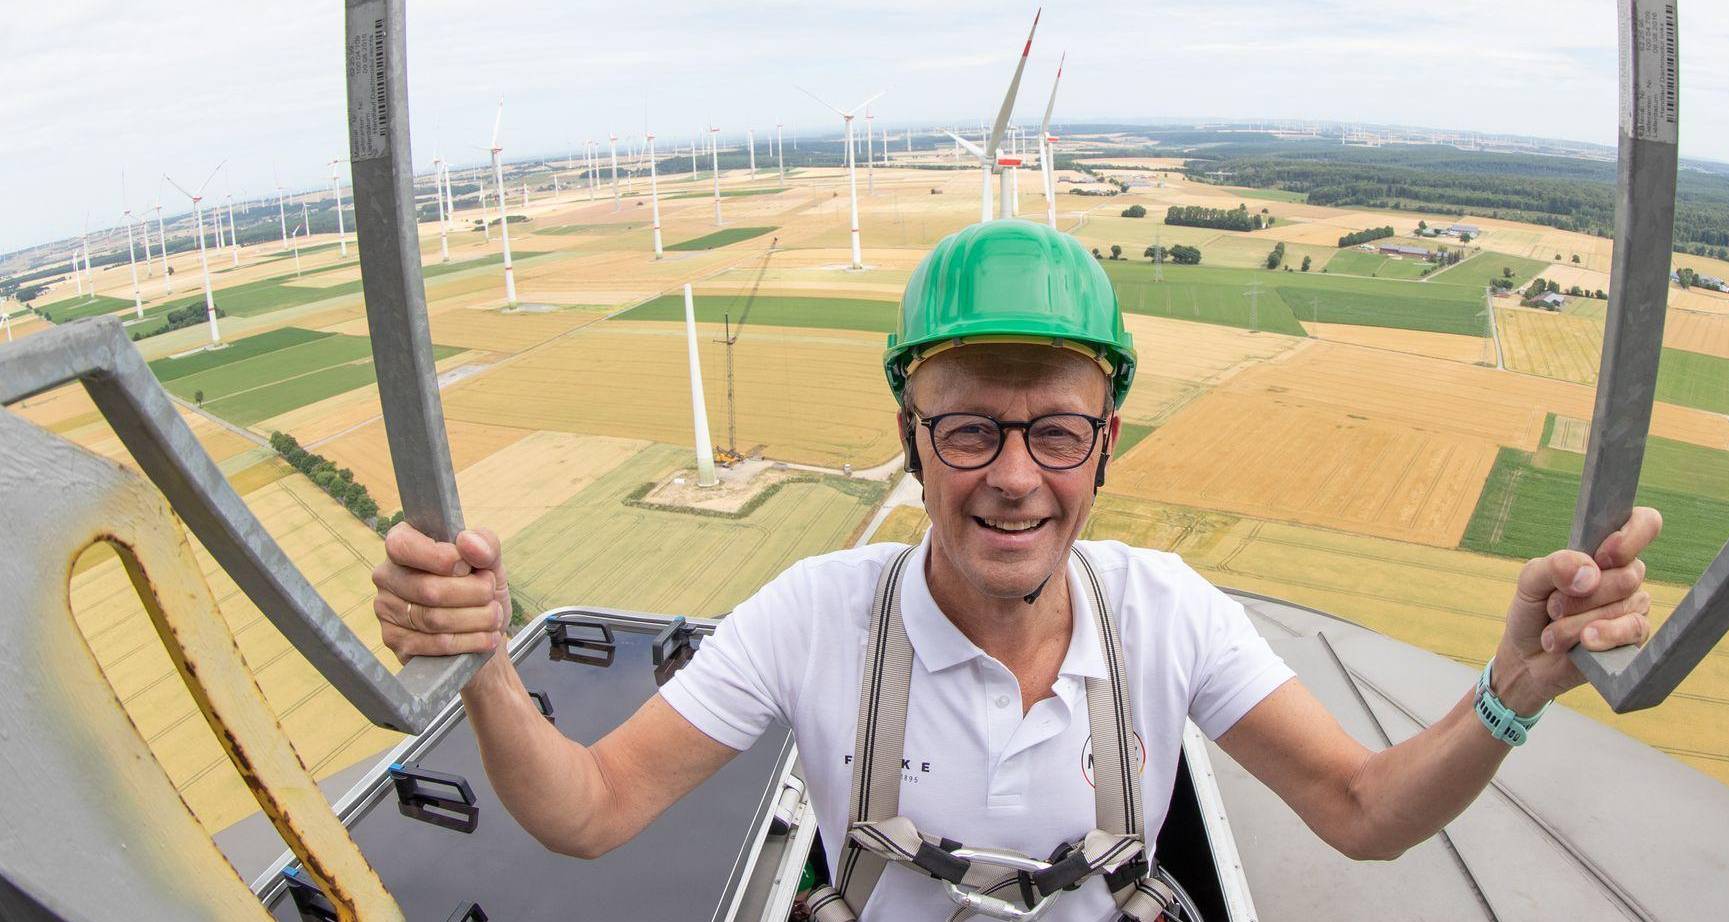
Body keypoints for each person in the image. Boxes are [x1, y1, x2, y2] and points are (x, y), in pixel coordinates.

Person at [374, 220, 1660, 921]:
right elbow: (588, 810)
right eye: (968, 428)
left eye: (1052, 429)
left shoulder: (1163, 613)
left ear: (1105, 444)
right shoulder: (815, 616)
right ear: (910, 444)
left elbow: (1364, 810)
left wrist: (1512, 686)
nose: (1010, 475)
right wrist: (480, 662)